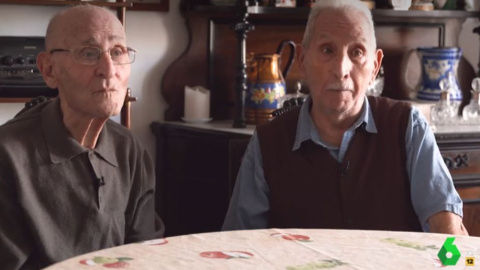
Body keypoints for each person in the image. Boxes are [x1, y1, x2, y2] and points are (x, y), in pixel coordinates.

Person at [223, 0, 468, 235]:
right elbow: (236, 246)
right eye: (327, 50)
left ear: (374, 66)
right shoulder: (268, 142)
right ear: (303, 60)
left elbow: (448, 232)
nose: (341, 70)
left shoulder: (407, 127)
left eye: (356, 52)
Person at [0, 5, 164, 269]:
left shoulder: (129, 148)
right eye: (89, 53)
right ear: (49, 70)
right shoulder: (8, 156)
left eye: (118, 52)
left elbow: (144, 252)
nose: (109, 70)